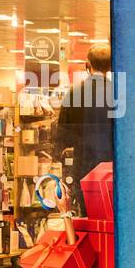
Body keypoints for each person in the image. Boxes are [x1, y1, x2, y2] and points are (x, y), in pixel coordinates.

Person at [55, 44, 115, 215]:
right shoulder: (118, 92)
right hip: (112, 166)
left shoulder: (74, 93)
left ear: (87, 65)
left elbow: (63, 135)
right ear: (111, 66)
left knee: (88, 215)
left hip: (83, 164)